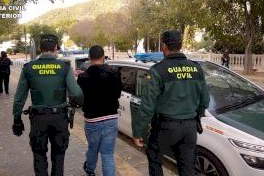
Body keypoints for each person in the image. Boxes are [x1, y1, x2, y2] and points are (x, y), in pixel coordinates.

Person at [133, 30, 210, 176]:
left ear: (164, 47)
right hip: (190, 128)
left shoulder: (157, 71)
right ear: (180, 45)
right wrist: (196, 118)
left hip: (165, 128)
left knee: (154, 157)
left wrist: (138, 132)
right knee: (188, 167)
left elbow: (147, 106)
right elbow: (205, 100)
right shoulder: (196, 68)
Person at [12, 34, 83, 176]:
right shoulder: (64, 67)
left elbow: (19, 97)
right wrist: (79, 103)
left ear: (40, 48)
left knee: (39, 156)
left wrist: (17, 118)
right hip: (59, 119)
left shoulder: (29, 68)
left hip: (38, 120)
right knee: (58, 157)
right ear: (56, 47)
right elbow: (76, 93)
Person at [77, 45, 122, 176]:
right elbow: (118, 94)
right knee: (108, 154)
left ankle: (90, 170)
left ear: (89, 58)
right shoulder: (114, 73)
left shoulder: (83, 77)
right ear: (103, 56)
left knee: (92, 149)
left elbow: (79, 98)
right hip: (111, 119)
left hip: (92, 120)